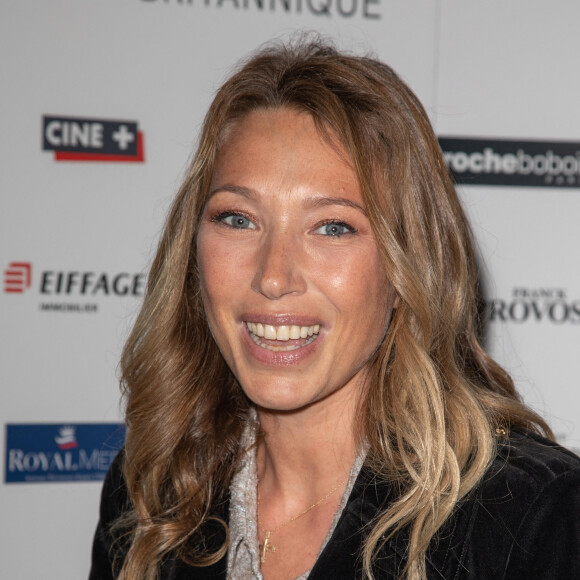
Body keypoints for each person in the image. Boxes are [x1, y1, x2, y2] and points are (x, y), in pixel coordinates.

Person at [89, 38, 580, 580]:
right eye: (238, 218)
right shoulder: (156, 491)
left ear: (406, 266)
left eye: (332, 227)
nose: (273, 276)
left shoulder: (533, 518)